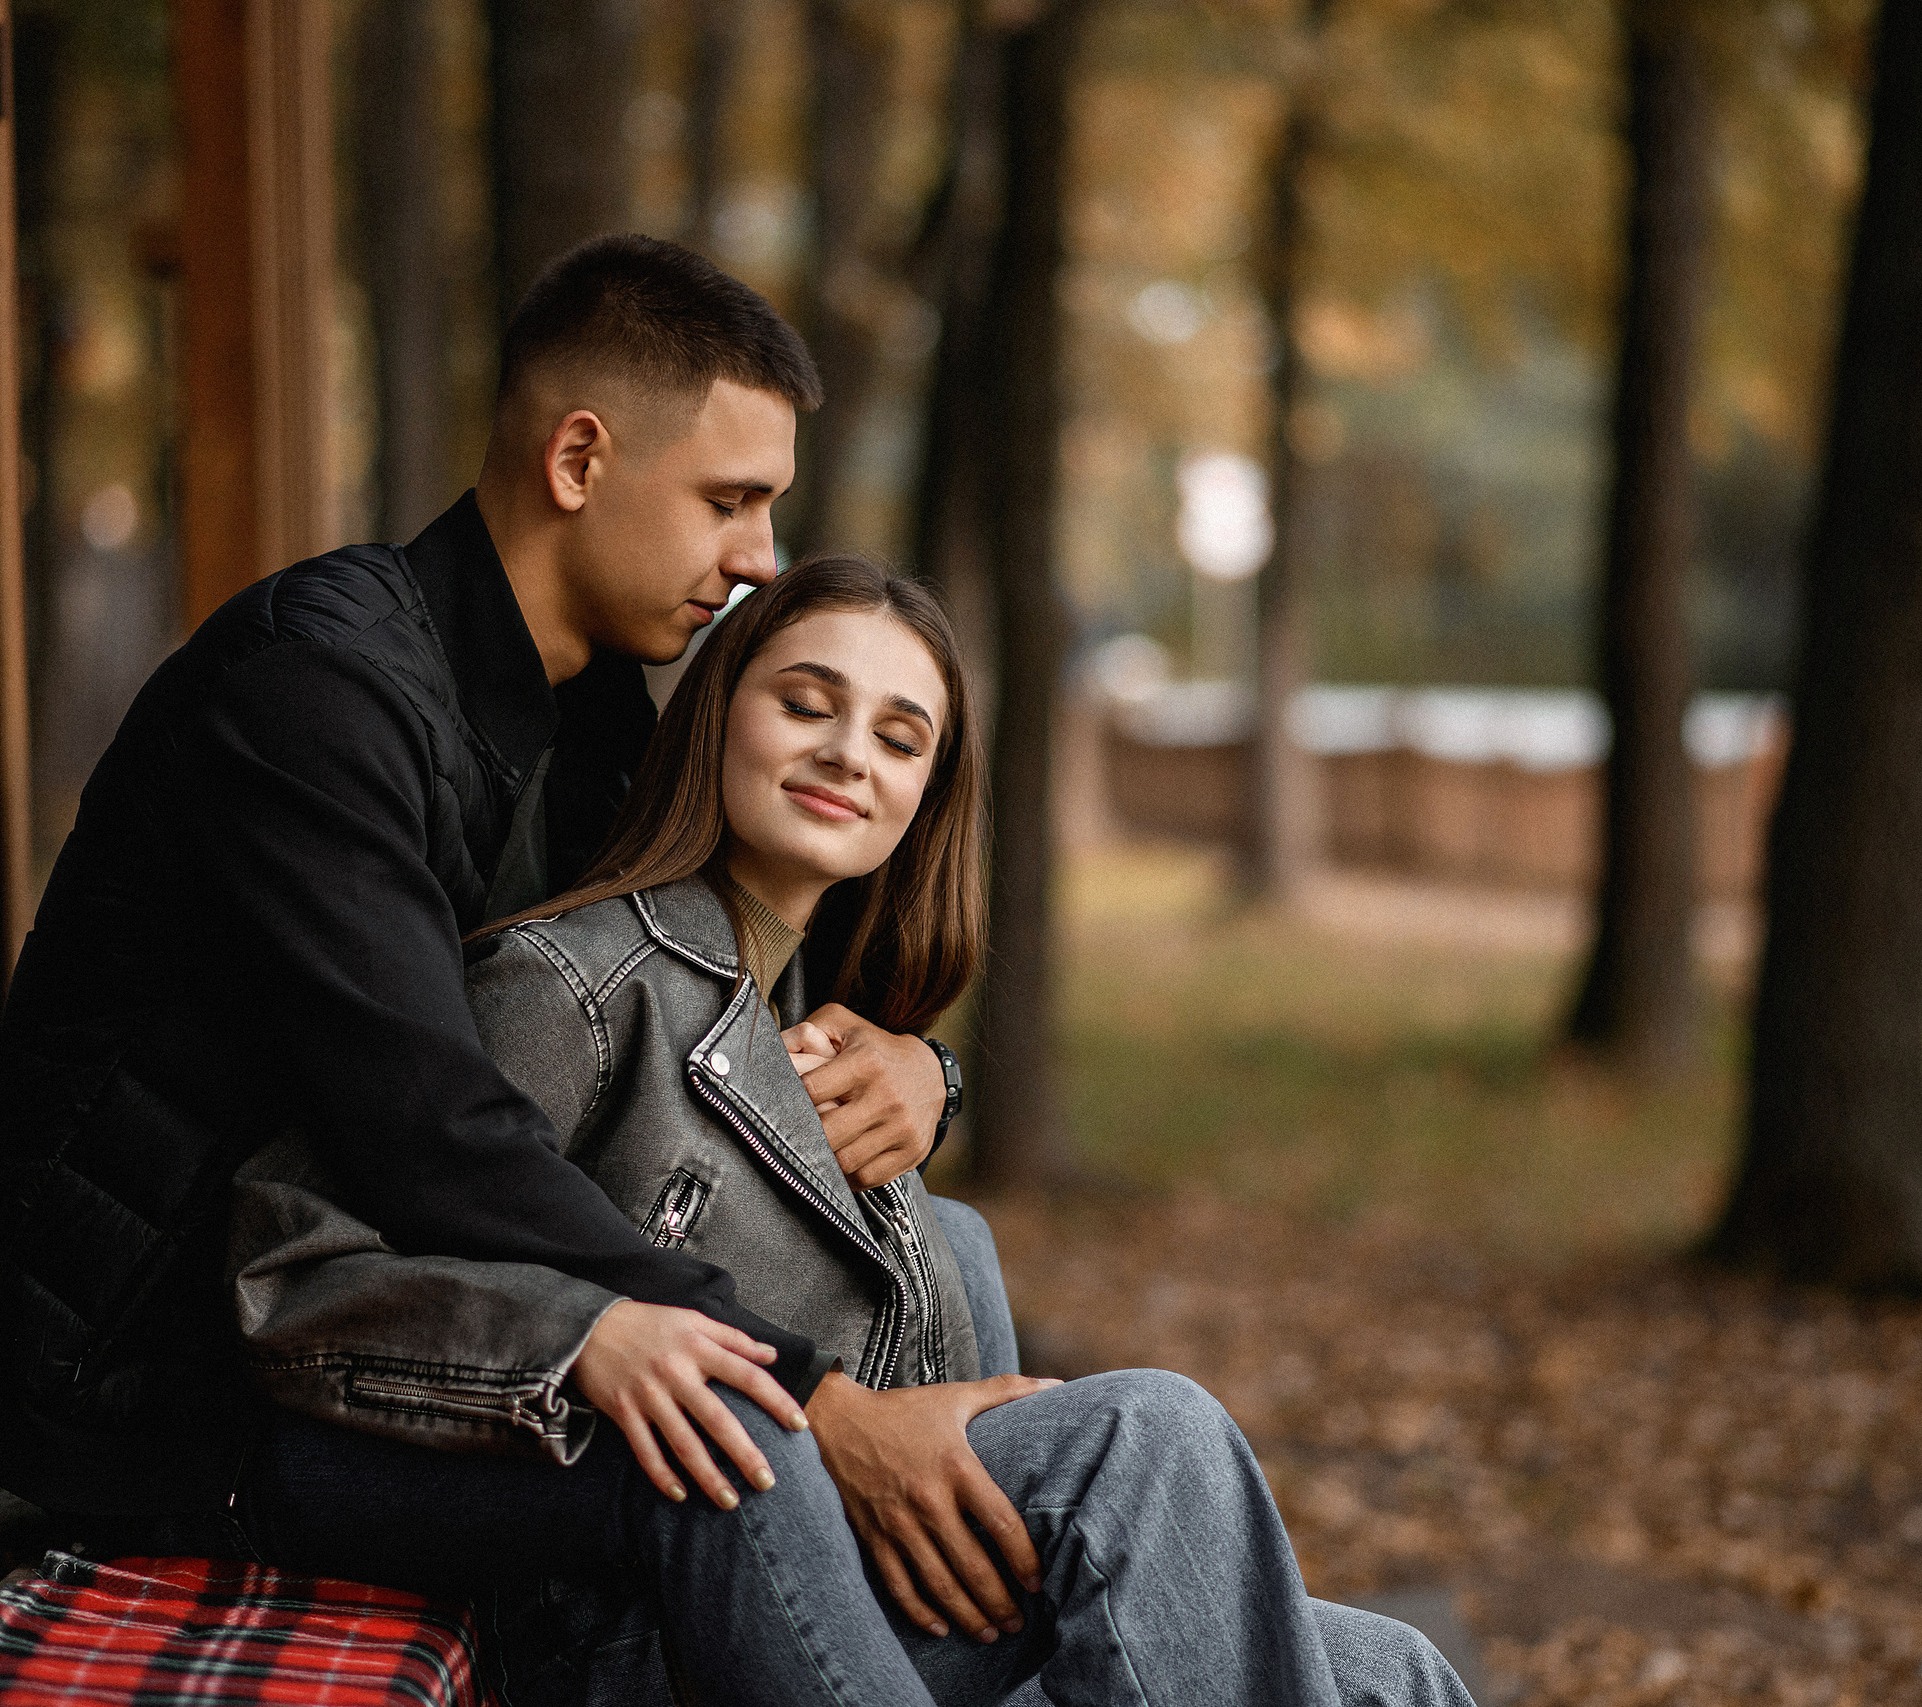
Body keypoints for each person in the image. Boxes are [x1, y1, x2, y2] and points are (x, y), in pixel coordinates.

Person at [229, 558, 1475, 1707]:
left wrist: (931, 1076)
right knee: (1138, 1442)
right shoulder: (577, 983)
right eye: (806, 703)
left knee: (1397, 1670)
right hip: (636, 1618)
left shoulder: (822, 1029)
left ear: (926, 793)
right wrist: (583, 1335)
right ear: (720, 713)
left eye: (898, 735)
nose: (847, 754)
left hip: (857, 1587)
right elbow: (296, 1268)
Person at [0, 234, 954, 1536]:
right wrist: (805, 1388)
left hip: (405, 1311)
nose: (762, 556)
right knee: (750, 1461)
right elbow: (434, 1130)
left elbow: (715, 1001)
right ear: (580, 459)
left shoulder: (584, 711)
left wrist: (928, 1072)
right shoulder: (315, 695)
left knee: (942, 1258)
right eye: (729, 499)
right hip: (175, 1373)